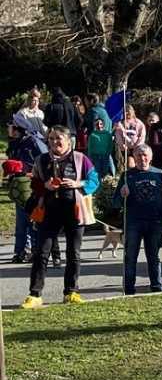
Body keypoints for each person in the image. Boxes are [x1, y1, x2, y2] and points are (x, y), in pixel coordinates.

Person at [22, 124, 99, 308]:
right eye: (51, 139)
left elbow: (95, 180)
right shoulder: (41, 160)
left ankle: (71, 292)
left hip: (74, 211)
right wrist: (45, 187)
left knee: (74, 253)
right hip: (48, 211)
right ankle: (35, 294)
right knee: (41, 252)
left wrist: (77, 183)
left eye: (59, 139)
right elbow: (33, 184)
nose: (54, 142)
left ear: (68, 141)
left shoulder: (81, 159)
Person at [121, 143, 162, 294]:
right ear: (134, 157)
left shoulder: (160, 174)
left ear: (150, 157)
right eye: (138, 155)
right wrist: (122, 194)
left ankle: (156, 287)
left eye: (145, 155)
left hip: (154, 222)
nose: (142, 158)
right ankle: (129, 288)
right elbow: (116, 201)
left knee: (153, 257)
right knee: (130, 256)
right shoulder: (127, 176)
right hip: (133, 222)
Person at [5, 119, 42, 263]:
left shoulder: (33, 142)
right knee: (21, 223)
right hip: (17, 185)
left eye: (10, 126)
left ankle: (34, 251)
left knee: (31, 220)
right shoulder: (14, 143)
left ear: (18, 129)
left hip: (30, 185)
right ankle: (19, 252)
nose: (8, 129)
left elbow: (43, 159)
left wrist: (33, 172)